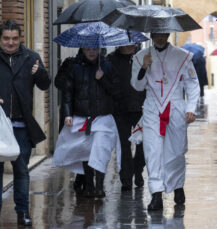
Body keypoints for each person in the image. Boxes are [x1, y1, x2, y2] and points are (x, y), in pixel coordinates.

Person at [0, 19, 51, 228]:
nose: (10, 43)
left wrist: (40, 73)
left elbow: (45, 85)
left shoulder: (31, 58)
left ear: (20, 39)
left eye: (15, 39)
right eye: (6, 38)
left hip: (21, 127)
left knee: (22, 171)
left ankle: (23, 213)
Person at [131, 33, 200, 210]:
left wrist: (191, 107)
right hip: (153, 108)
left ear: (168, 34)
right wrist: (144, 68)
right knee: (152, 151)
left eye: (163, 34)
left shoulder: (182, 56)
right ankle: (156, 194)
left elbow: (192, 83)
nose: (160, 38)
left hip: (176, 108)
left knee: (176, 151)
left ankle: (177, 186)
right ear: (152, 35)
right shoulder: (141, 56)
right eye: (156, 34)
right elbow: (137, 86)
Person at [53, 47, 120, 198]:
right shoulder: (75, 67)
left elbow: (117, 92)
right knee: (86, 151)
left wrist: (102, 79)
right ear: (82, 49)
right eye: (88, 48)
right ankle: (89, 185)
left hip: (102, 118)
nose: (91, 52)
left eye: (94, 48)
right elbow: (68, 93)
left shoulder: (107, 66)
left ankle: (99, 186)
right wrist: (68, 114)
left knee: (101, 150)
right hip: (81, 117)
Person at [108, 44, 147, 191]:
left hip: (140, 108)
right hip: (120, 109)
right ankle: (126, 178)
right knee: (124, 145)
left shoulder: (142, 57)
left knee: (142, 145)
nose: (132, 45)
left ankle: (138, 170)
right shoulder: (110, 60)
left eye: (133, 43)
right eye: (128, 43)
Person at [53, 49, 84, 193]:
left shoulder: (101, 65)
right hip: (72, 110)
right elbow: (58, 83)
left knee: (87, 146)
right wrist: (69, 81)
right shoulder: (70, 63)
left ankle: (82, 177)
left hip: (89, 113)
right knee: (75, 145)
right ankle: (80, 175)